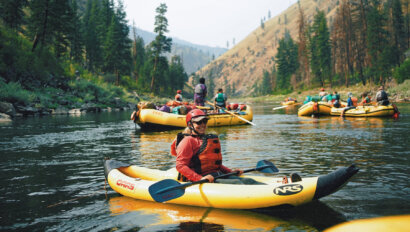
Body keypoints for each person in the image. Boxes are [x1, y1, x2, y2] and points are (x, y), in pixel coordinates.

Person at [170, 109, 262, 185]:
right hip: (202, 178)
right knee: (237, 183)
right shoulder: (187, 141)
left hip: (216, 174)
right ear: (190, 125)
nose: (202, 125)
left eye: (204, 121)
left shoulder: (207, 139)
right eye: (198, 122)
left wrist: (230, 171)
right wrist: (200, 178)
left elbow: (214, 164)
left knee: (249, 181)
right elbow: (180, 166)